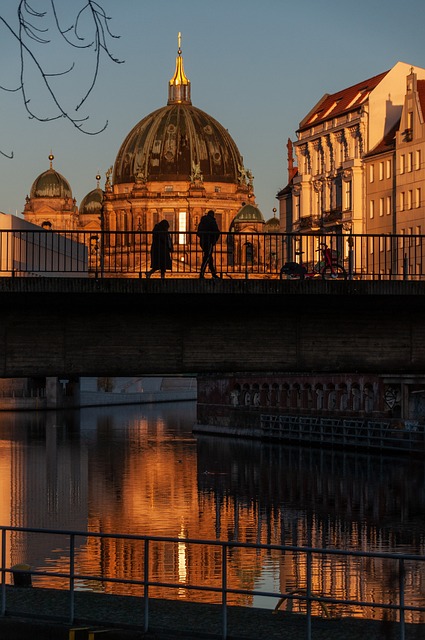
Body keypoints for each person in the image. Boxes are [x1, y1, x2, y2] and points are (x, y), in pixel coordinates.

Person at [197, 210, 220, 278]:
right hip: (209, 241)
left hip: (203, 241)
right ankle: (202, 273)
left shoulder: (202, 221)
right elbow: (216, 232)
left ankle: (213, 273)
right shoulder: (212, 221)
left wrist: (203, 237)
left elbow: (198, 232)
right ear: (212, 215)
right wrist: (214, 240)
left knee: (209, 257)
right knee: (207, 257)